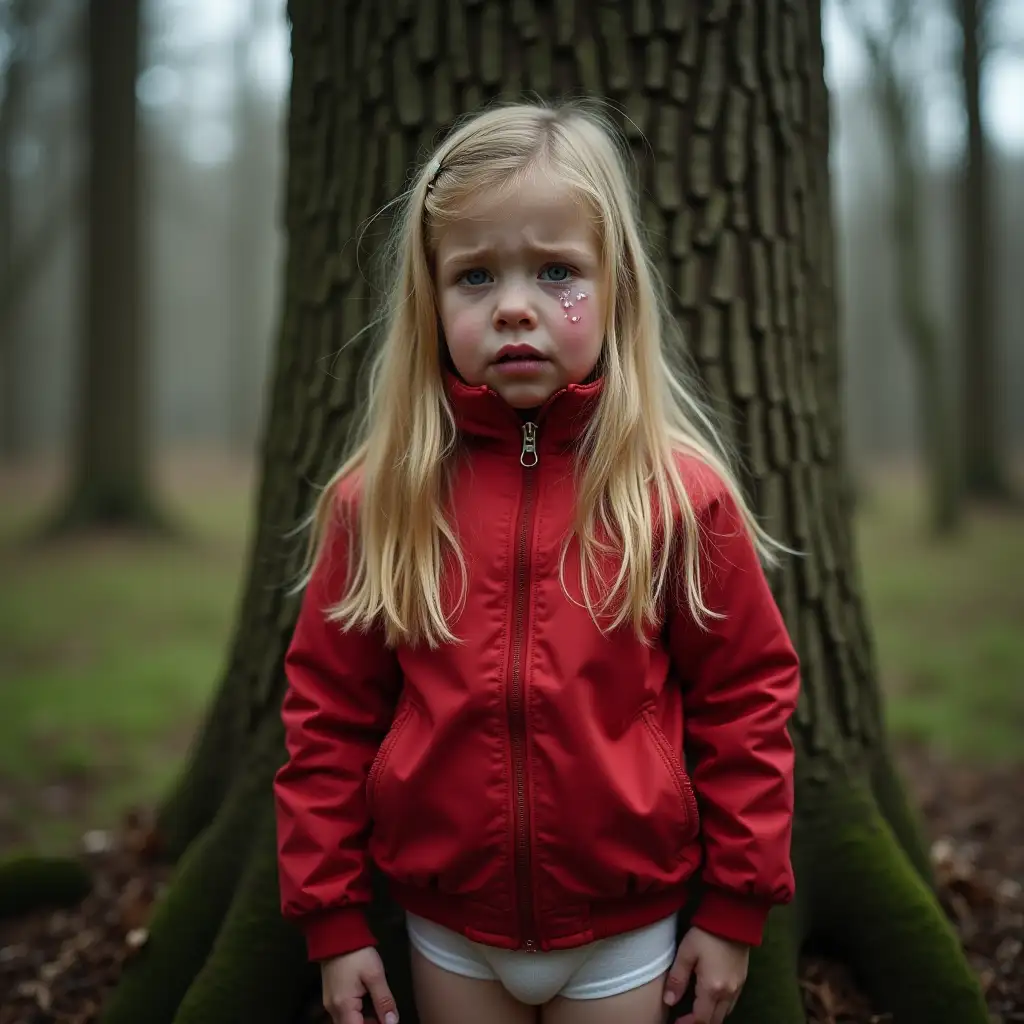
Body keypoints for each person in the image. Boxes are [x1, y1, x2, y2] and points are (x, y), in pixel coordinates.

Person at [273, 100, 800, 1024]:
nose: (513, 304)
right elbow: (325, 715)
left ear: (615, 287)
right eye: (474, 275)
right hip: (447, 929)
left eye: (556, 271)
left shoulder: (676, 499)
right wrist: (335, 923)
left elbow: (747, 699)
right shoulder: (382, 502)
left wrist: (737, 906)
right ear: (431, 302)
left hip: (626, 932)